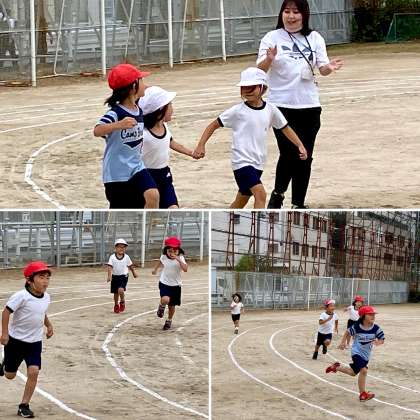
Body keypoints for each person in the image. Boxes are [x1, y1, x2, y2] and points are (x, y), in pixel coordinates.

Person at [257, 0, 344, 209]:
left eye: (296, 12)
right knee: (289, 153)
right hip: (281, 106)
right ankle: (278, 194)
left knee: (305, 155)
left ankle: (298, 203)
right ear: (281, 14)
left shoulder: (314, 38)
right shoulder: (271, 37)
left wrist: (329, 68)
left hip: (309, 106)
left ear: (304, 14)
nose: (291, 16)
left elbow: (322, 68)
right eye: (287, 11)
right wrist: (269, 59)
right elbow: (259, 70)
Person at [193, 67, 307, 209]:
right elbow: (213, 125)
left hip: (258, 163)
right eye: (244, 88)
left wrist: (300, 145)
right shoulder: (237, 111)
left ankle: (227, 218)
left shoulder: (271, 109)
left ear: (262, 88)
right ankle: (260, 223)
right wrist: (201, 145)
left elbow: (285, 128)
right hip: (241, 162)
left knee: (241, 201)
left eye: (251, 87)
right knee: (261, 194)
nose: (247, 91)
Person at [93, 63, 159, 209]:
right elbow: (97, 131)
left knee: (153, 195)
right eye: (141, 80)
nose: (145, 85)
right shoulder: (116, 113)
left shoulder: (138, 109)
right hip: (116, 173)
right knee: (122, 210)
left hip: (136, 167)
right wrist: (118, 125)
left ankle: (149, 222)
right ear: (133, 87)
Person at [0, 261, 53, 418]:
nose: (45, 281)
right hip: (16, 342)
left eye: (47, 278)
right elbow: (6, 312)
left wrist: (49, 325)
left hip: (34, 342)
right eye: (41, 277)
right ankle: (4, 364)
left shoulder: (46, 297)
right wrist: (5, 333)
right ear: (29, 280)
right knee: (10, 375)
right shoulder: (21, 296)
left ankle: (24, 405)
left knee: (34, 371)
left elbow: (42, 312)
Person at [138, 86, 196, 208]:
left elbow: (171, 142)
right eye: (170, 105)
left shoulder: (164, 126)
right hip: (146, 176)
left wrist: (191, 153)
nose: (172, 109)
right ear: (160, 109)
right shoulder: (143, 133)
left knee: (173, 208)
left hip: (164, 175)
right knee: (151, 211)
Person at [326, 305, 385, 402]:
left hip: (366, 356)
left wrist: (378, 342)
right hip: (356, 352)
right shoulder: (357, 326)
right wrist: (343, 342)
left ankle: (336, 367)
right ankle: (363, 394)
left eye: (373, 314)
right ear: (363, 316)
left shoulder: (376, 328)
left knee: (352, 373)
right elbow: (347, 332)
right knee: (364, 370)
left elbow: (382, 339)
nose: (373, 316)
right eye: (370, 314)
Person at [153, 237, 188, 330]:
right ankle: (161, 306)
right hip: (164, 283)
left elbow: (185, 269)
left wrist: (178, 259)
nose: (172, 253)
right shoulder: (164, 257)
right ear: (166, 250)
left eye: (175, 251)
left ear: (179, 250)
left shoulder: (181, 258)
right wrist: (155, 269)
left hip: (176, 285)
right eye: (170, 251)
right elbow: (160, 261)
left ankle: (169, 320)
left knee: (172, 306)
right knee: (165, 299)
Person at [106, 238, 138, 313]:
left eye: (123, 247)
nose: (122, 249)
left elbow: (130, 266)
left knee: (120, 289)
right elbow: (110, 266)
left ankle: (122, 301)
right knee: (116, 293)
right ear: (116, 248)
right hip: (115, 276)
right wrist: (109, 276)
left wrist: (134, 273)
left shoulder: (126, 257)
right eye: (120, 247)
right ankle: (116, 304)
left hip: (123, 276)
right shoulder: (112, 257)